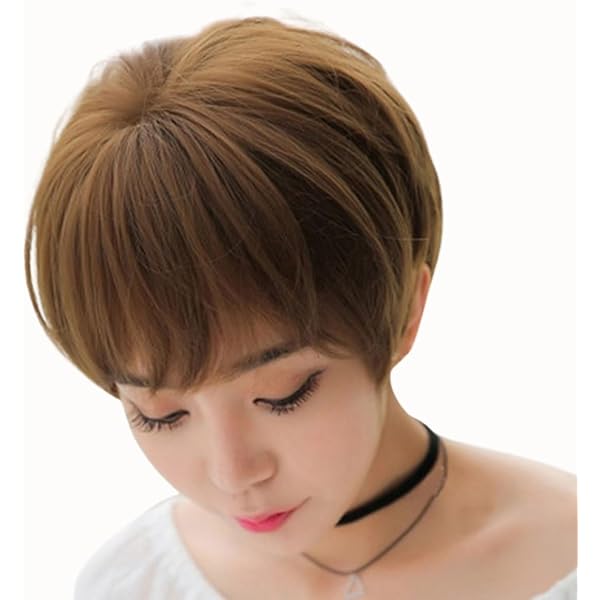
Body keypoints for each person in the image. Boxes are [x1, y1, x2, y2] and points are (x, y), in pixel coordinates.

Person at [25, 15, 576, 600]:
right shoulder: (135, 583)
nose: (233, 474)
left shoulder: (570, 558)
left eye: (282, 394)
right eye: (159, 415)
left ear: (404, 313)